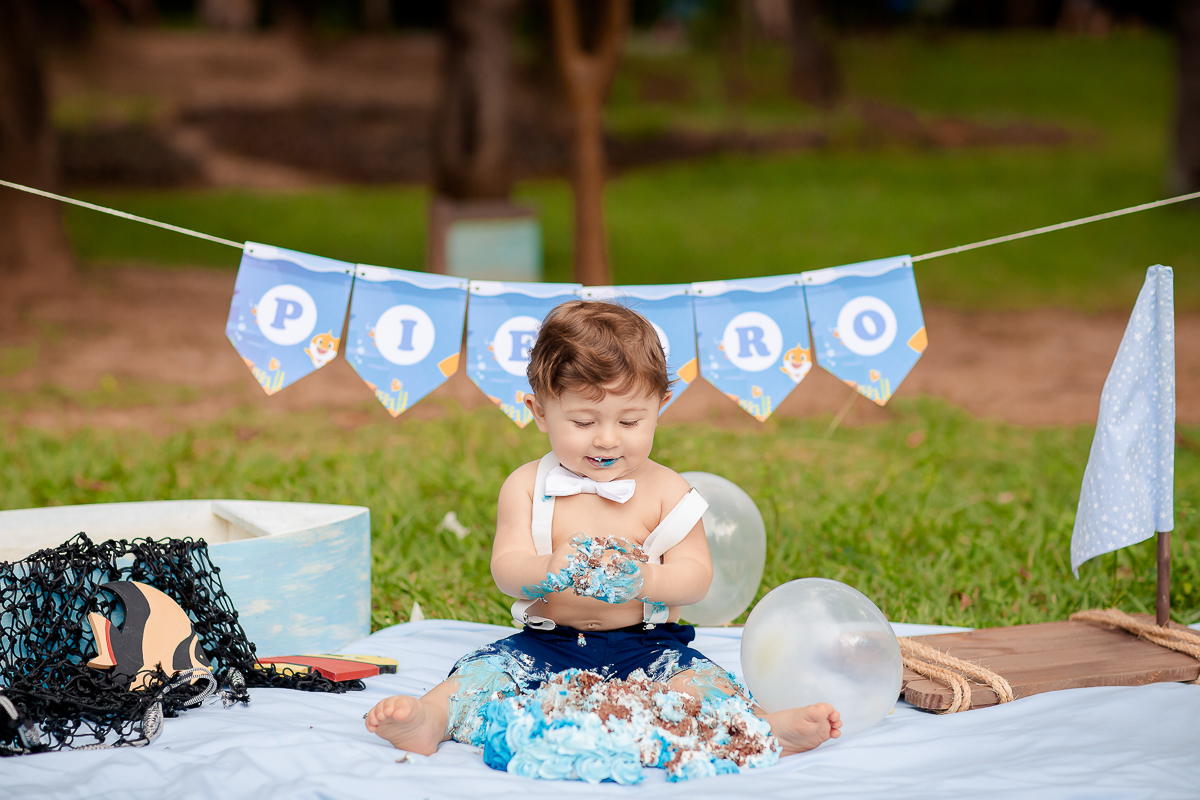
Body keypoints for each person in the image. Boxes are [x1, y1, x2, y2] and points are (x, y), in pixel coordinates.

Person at [366, 300, 841, 758]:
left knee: (700, 686)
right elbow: (506, 569)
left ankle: (761, 727)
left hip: (646, 645)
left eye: (630, 420)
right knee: (486, 673)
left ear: (661, 405)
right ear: (538, 411)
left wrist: (645, 580)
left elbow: (696, 576)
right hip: (547, 642)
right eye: (582, 420)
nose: (607, 438)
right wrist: (548, 570)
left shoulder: (666, 490)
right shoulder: (527, 487)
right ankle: (429, 718)